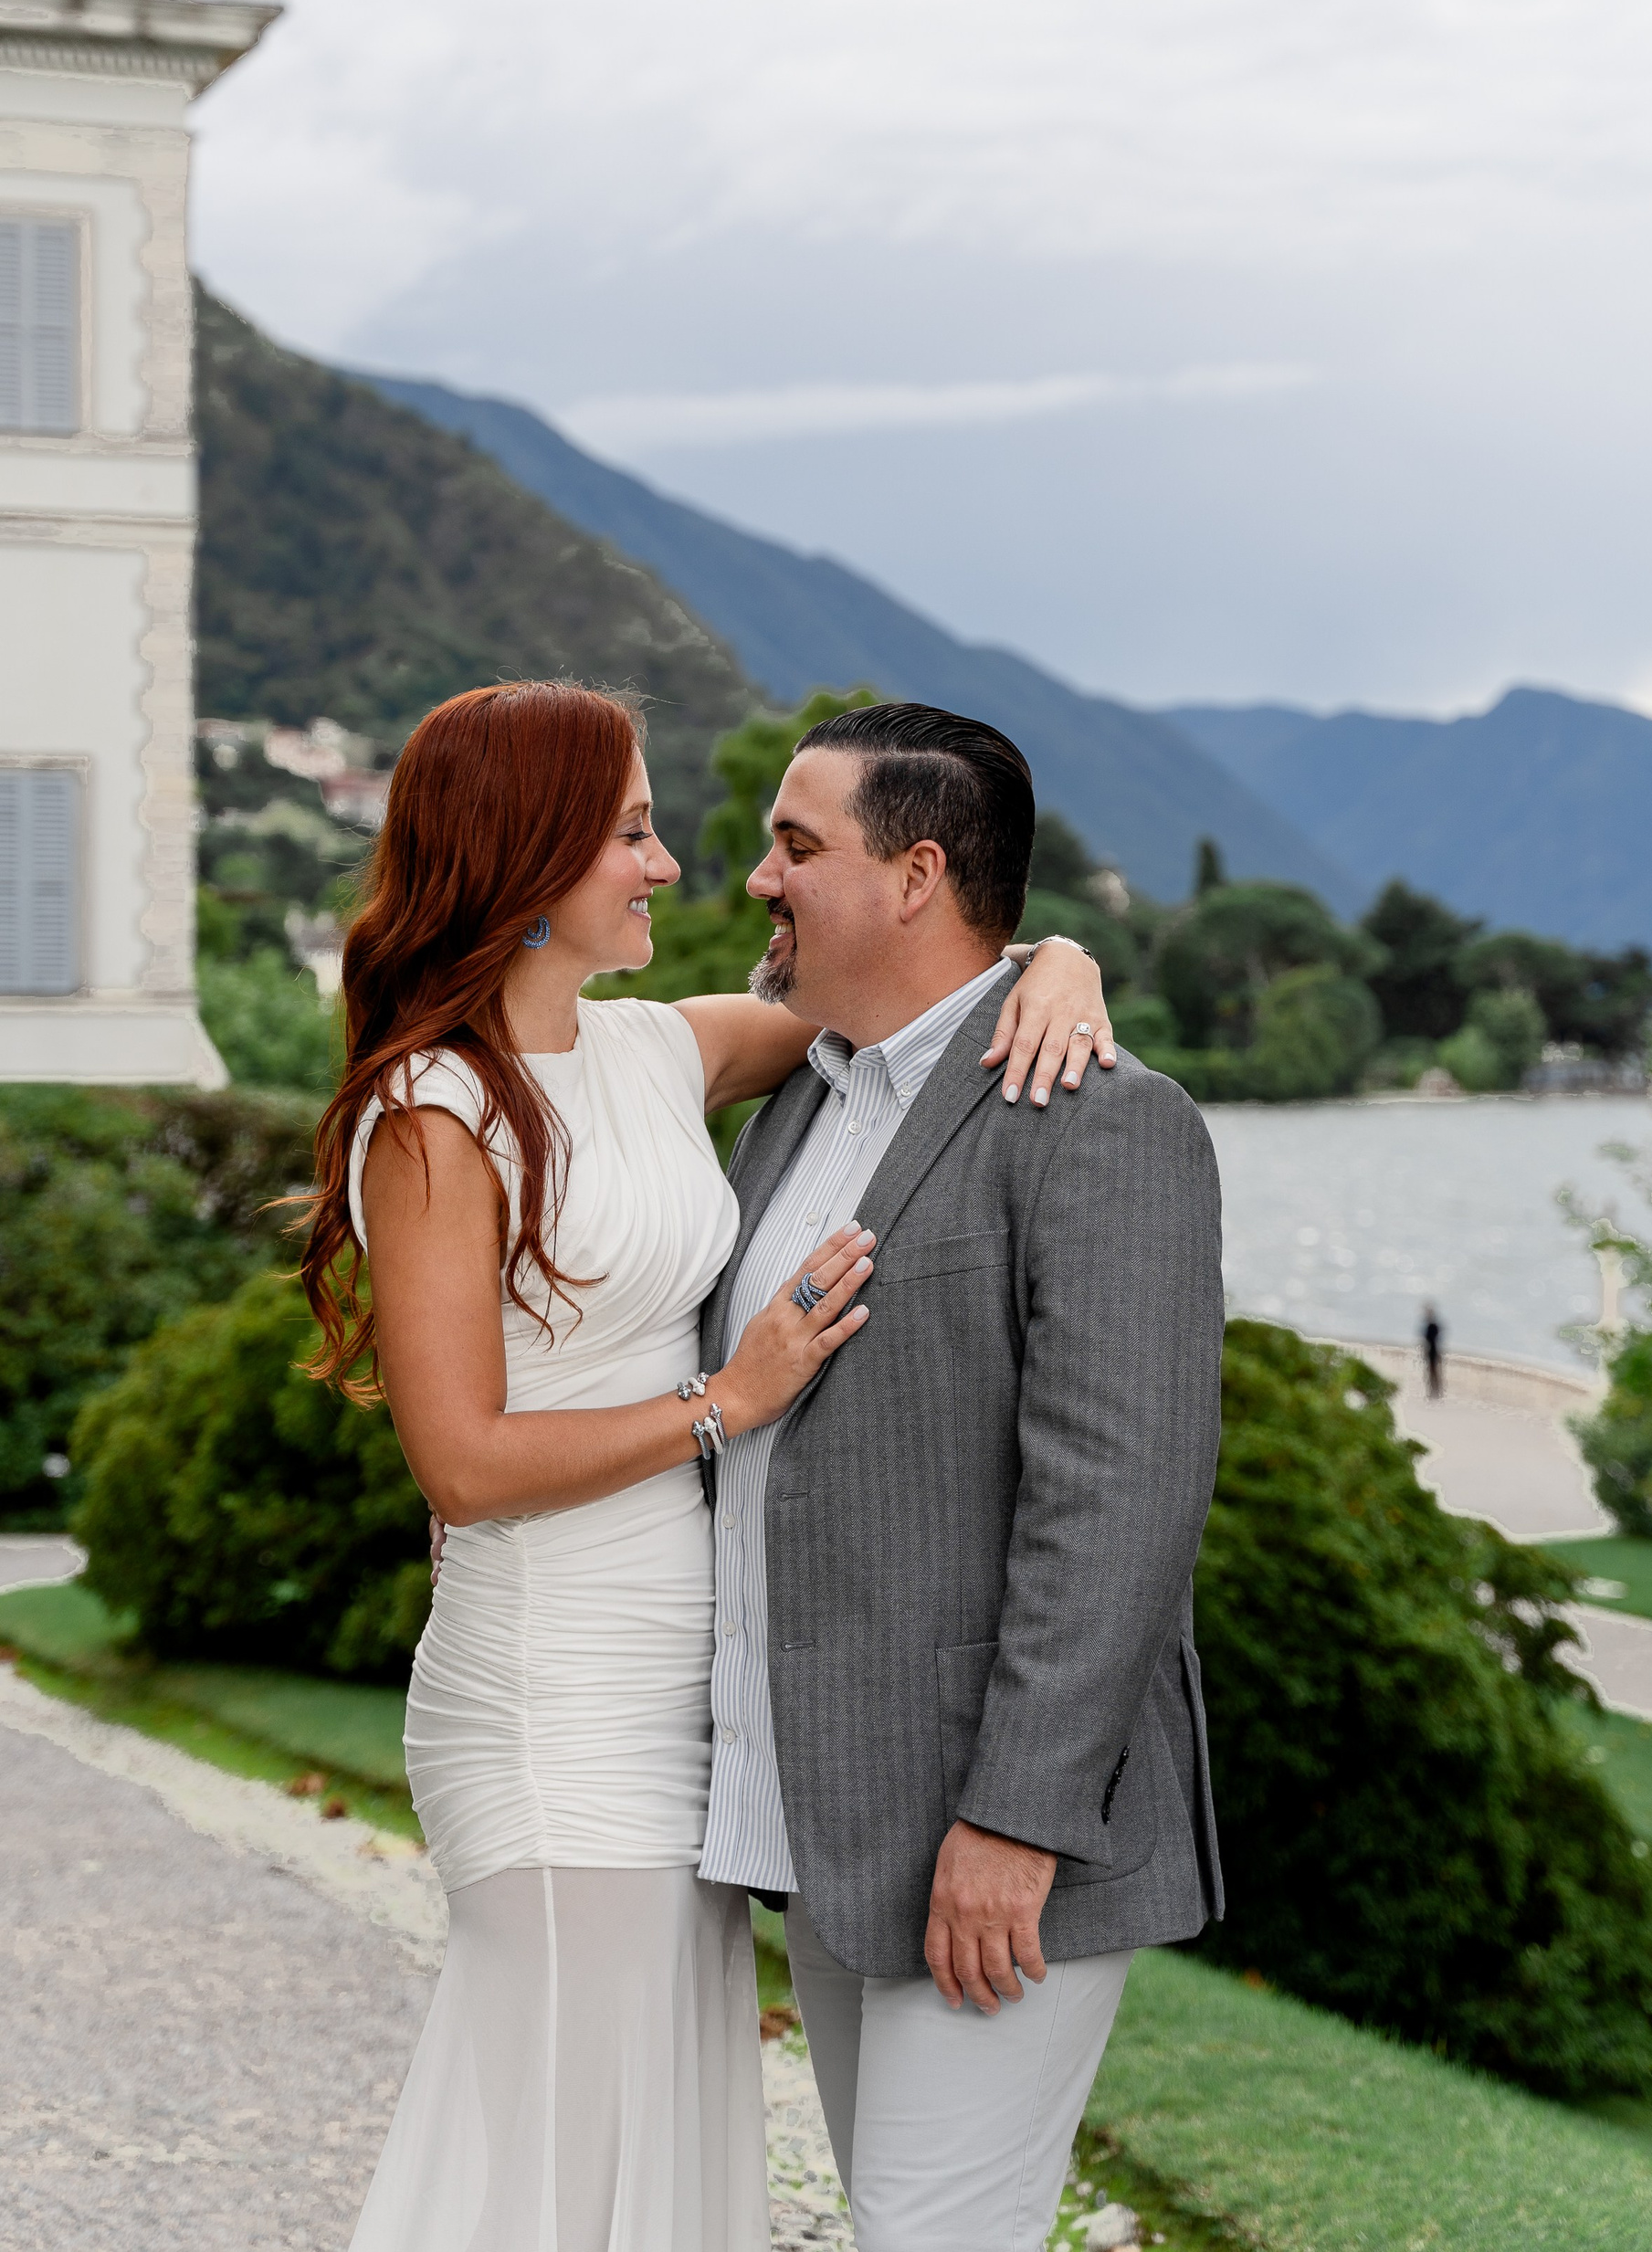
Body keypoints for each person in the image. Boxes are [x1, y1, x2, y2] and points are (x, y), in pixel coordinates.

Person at [299, 679, 1113, 2252]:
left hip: (694, 1710)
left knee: (654, 2144)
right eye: (631, 831)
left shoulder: (658, 1050)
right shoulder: (433, 1111)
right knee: (557, 2156)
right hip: (551, 1692)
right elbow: (460, 1461)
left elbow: (915, 985)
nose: (671, 865)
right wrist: (724, 1402)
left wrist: (1061, 957)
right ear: (529, 857)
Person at [696, 701, 1226, 2251]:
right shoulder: (802, 1096)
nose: (759, 879)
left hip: (996, 1838)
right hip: (837, 1813)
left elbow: (1120, 1503)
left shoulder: (1104, 1121)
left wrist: (1019, 1821)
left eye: (796, 845)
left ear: (916, 874)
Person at [1423, 1304, 1444, 1399]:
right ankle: (1435, 1392)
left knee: (1433, 1372)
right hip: (1433, 1350)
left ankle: (1435, 1392)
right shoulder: (1433, 1326)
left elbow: (1429, 1339)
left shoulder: (1431, 1326)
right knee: (1433, 1372)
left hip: (1432, 1350)